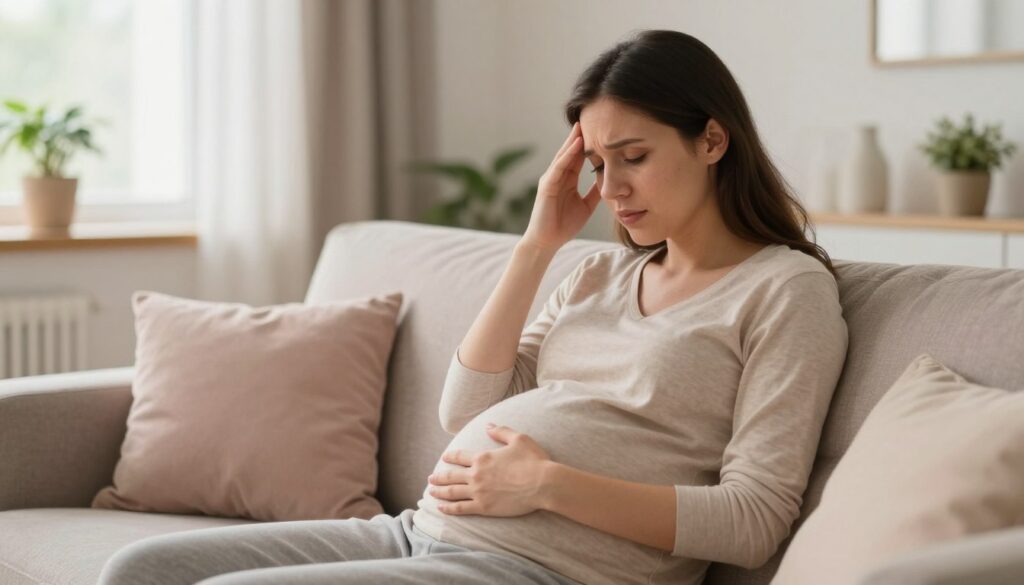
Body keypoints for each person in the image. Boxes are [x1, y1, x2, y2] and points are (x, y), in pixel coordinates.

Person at [98, 29, 848, 585]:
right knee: (139, 569)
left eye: (635, 156)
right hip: (416, 535)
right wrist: (535, 244)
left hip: (537, 570)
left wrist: (546, 483)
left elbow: (753, 520)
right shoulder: (598, 275)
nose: (611, 188)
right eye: (596, 162)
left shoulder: (785, 290)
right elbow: (467, 406)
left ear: (712, 139)